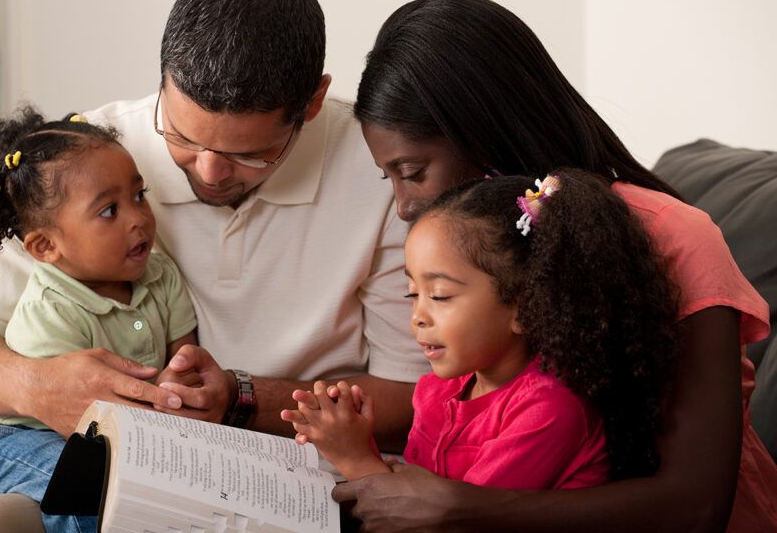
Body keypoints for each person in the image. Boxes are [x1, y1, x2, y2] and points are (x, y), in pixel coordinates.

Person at [0, 0, 426, 531]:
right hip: (146, 464)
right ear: (163, 79)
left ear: (311, 103)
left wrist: (242, 399)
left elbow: (411, 399)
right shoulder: (92, 160)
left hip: (297, 477)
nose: (209, 172)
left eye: (248, 154)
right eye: (182, 137)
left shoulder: (379, 171)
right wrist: (39, 387)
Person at [334, 0, 776, 532]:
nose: (402, 206)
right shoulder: (472, 261)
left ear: (482, 132)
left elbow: (697, 506)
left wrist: (455, 508)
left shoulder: (671, 236)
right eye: (390, 178)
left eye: (413, 170)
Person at [286, 170, 678, 492]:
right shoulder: (437, 391)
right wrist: (355, 437)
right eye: (413, 292)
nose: (418, 316)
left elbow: (445, 520)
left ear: (525, 307)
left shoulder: (550, 409)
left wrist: (355, 458)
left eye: (439, 296)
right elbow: (415, 490)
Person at [0, 107, 198, 532]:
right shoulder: (49, 312)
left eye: (139, 195)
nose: (138, 217)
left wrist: (183, 381)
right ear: (45, 247)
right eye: (109, 210)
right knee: (91, 494)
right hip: (6, 437)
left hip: (95, 434)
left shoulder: (160, 276)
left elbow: (186, 355)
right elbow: (77, 419)